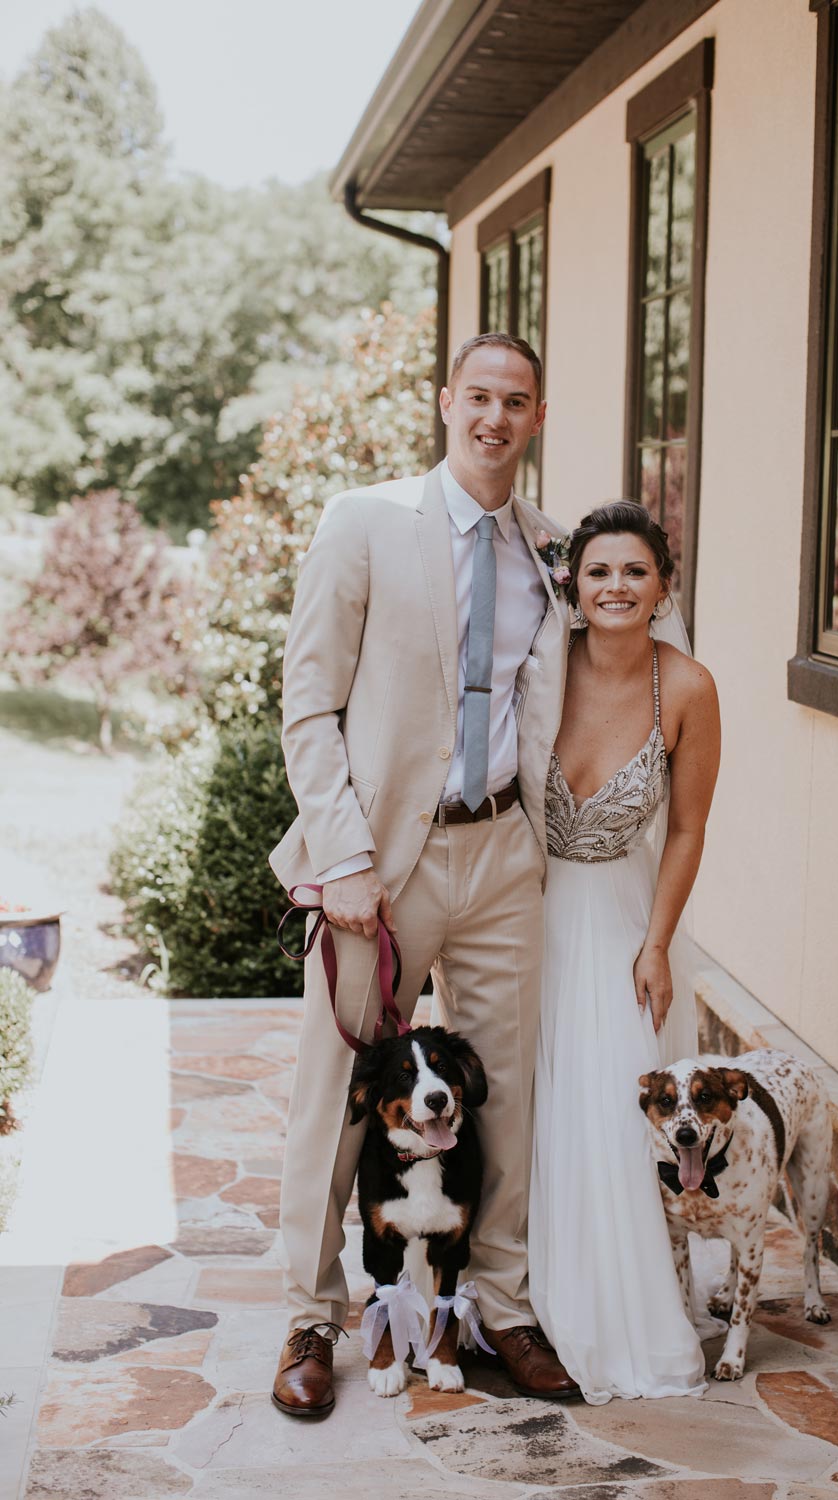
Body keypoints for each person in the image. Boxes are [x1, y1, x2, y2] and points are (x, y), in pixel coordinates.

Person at [269, 332, 581, 1416]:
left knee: (503, 1091)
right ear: (447, 402)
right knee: (341, 1095)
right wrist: (343, 857)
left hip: (504, 852)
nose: (495, 417)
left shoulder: (552, 546)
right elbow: (306, 703)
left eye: (518, 401)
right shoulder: (365, 523)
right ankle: (312, 1316)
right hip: (382, 864)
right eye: (479, 396)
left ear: (538, 416)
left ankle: (499, 1302)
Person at [529, 501, 722, 1405]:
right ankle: (515, 1302)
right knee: (528, 1108)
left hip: (617, 922)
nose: (615, 588)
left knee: (607, 1115)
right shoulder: (540, 664)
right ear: (571, 582)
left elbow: (685, 830)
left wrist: (657, 943)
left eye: (634, 572)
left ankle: (616, 1317)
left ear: (663, 586)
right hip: (518, 913)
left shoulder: (685, 687)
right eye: (598, 571)